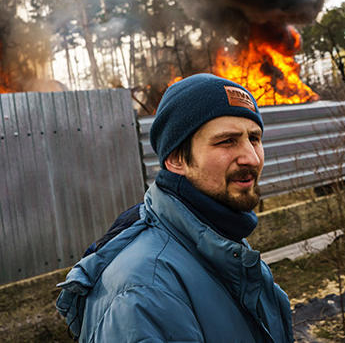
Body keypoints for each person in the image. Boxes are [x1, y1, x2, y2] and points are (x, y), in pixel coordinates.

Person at [56, 73, 293, 342]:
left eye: (254, 138)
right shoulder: (145, 290)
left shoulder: (221, 244)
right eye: (227, 141)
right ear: (177, 159)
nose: (251, 157)